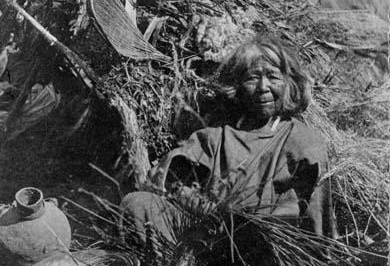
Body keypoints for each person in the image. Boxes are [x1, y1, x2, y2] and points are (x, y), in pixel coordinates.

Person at [121, 37, 335, 251]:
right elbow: (167, 181)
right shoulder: (216, 137)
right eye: (252, 78)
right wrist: (209, 211)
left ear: (289, 84)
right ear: (237, 86)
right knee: (138, 204)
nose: (263, 87)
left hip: (261, 248)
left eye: (273, 77)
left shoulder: (304, 141)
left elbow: (316, 220)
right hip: (206, 237)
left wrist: (246, 227)